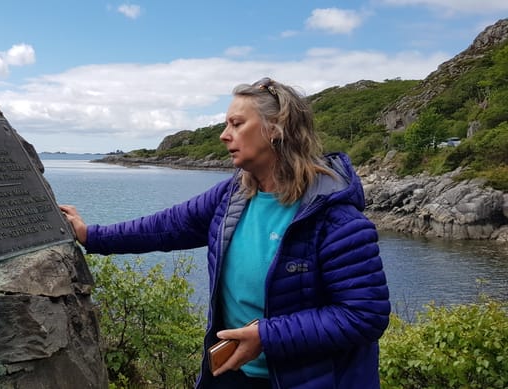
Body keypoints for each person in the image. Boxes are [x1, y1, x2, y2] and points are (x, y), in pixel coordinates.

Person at [60, 77, 390, 389]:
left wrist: (267, 336)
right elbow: (165, 227)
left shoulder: (335, 218)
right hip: (233, 374)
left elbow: (365, 315)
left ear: (275, 129)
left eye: (236, 124)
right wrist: (92, 235)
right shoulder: (233, 196)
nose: (224, 135)